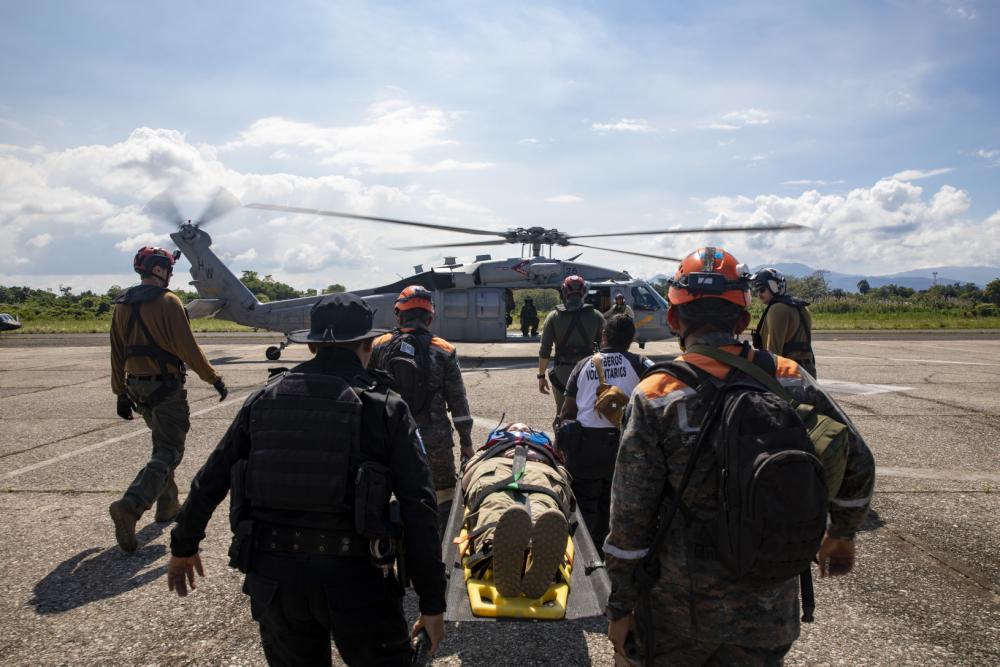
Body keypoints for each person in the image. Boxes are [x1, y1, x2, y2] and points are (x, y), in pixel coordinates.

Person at [605, 247, 875, 666]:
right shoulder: (788, 377)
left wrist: (620, 605)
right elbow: (857, 461)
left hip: (680, 614)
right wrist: (843, 533)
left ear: (675, 320)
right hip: (767, 610)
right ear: (744, 320)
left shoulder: (656, 394)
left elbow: (630, 518)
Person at [167, 293, 447, 665]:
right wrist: (431, 603)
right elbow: (419, 505)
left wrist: (184, 545)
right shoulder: (385, 406)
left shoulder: (264, 398)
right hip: (357, 580)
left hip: (275, 581)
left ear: (311, 344)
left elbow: (212, 476)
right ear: (368, 343)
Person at [108, 246, 227, 553]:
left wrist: (120, 391)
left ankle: (168, 506)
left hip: (136, 388)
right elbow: (188, 348)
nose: (170, 274)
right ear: (159, 270)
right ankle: (131, 505)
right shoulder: (169, 301)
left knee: (161, 445)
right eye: (169, 269)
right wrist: (213, 378)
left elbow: (117, 352)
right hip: (166, 388)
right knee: (170, 450)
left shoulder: (121, 304)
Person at [371, 285, 474, 532]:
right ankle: (438, 549)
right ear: (430, 317)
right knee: (443, 496)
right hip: (434, 440)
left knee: (384, 490)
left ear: (398, 315)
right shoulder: (444, 350)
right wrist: (466, 443)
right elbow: (458, 400)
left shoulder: (379, 345)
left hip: (388, 437)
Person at [558, 315, 652, 553]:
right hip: (625, 446)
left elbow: (568, 411)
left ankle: (585, 560)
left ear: (603, 336)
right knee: (618, 507)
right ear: (631, 339)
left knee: (583, 508)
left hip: (585, 449)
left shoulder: (583, 365)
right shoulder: (641, 364)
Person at [461, 423, 574, 599]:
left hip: (539, 469)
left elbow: (466, 477)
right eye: (513, 427)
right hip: (498, 466)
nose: (521, 427)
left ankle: (532, 558)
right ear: (505, 431)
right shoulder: (493, 445)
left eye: (526, 428)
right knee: (495, 503)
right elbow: (470, 473)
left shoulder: (543, 447)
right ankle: (496, 550)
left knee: (543, 508)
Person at [538, 275, 605, 414]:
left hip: (561, 376)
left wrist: (541, 376)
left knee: (562, 415)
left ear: (564, 291)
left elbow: (545, 350)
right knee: (588, 413)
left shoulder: (553, 316)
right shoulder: (597, 316)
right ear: (584, 291)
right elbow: (605, 349)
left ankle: (561, 434)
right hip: (588, 374)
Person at [751, 267, 817, 378]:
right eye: (757, 290)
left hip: (788, 371)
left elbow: (773, 350)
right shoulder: (801, 307)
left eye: (762, 289)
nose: (759, 294)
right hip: (808, 369)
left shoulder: (777, 308)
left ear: (774, 287)